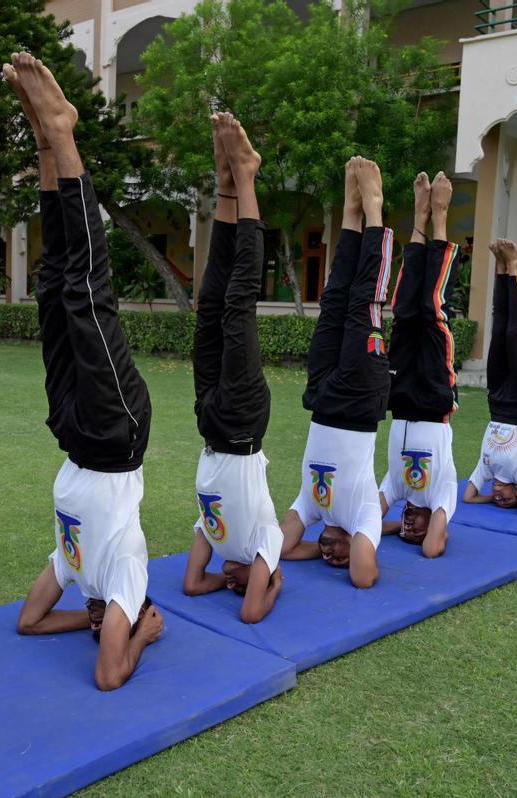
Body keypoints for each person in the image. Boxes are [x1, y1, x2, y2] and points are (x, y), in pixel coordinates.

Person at [5, 53, 164, 690]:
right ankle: (64, 133)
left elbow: (28, 622)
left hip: (72, 438)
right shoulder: (128, 575)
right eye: (115, 625)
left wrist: (83, 617)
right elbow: (107, 678)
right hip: (116, 436)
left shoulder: (73, 571)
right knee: (87, 297)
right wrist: (141, 634)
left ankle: (45, 141)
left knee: (51, 294)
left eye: (104, 627)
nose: (105, 624)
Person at [181, 112, 283, 623]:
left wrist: (224, 575)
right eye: (256, 580)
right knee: (240, 300)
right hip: (242, 425)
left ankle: (225, 187)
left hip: (209, 419)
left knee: (211, 302)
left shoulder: (214, 537)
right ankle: (247, 175)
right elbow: (249, 615)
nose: (244, 582)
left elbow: (193, 584)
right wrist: (269, 584)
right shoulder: (266, 541)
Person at [279, 157, 394, 589]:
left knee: (332, 300)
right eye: (334, 554)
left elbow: (283, 546)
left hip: (322, 399)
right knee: (366, 300)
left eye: (326, 552)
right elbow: (364, 577)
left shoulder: (311, 508)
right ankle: (375, 208)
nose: (329, 551)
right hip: (362, 400)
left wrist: (314, 549)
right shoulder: (364, 514)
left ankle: (349, 213)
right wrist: (354, 549)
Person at [378, 171, 460, 558]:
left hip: (400, 395)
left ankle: (418, 220)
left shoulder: (395, 487)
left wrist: (395, 526)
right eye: (416, 528)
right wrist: (422, 533)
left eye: (407, 528)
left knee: (404, 310)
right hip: (433, 398)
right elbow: (430, 550)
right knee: (431, 309)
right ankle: (439, 215)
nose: (410, 524)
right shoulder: (443, 494)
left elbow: (368, 520)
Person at [463, 238, 517, 517]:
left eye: (498, 500)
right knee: (512, 333)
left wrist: (491, 499)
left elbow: (469, 497)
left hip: (496, 402)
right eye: (505, 499)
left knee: (497, 330)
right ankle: (515, 268)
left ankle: (500, 268)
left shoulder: (487, 467)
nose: (498, 496)